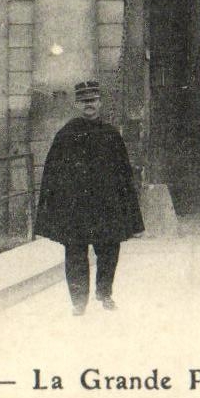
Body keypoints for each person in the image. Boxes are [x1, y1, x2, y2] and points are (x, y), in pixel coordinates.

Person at [35, 80, 144, 315]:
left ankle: (104, 293)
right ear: (77, 104)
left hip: (106, 206)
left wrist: (131, 215)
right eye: (84, 101)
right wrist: (52, 210)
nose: (89, 105)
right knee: (75, 253)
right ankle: (78, 302)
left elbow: (125, 175)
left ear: (100, 103)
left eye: (93, 100)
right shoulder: (65, 135)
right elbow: (52, 175)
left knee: (109, 250)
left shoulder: (112, 135)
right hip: (76, 208)